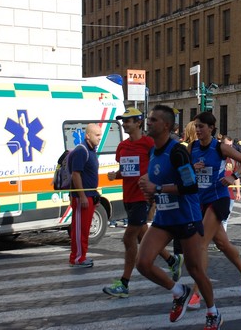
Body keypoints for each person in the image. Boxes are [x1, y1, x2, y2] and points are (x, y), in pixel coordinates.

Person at [135, 105, 220, 328]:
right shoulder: (152, 150)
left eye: (153, 120)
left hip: (186, 218)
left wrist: (158, 188)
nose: (148, 122)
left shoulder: (178, 151)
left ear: (166, 125)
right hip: (164, 218)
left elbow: (190, 186)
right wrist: (149, 194)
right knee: (142, 263)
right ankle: (178, 292)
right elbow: (157, 180)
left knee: (195, 270)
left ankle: (213, 312)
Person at [103, 108, 181, 298]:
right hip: (128, 196)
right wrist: (116, 175)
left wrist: (154, 186)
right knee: (142, 236)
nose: (124, 124)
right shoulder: (122, 146)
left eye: (128, 121)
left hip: (141, 197)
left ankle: (124, 283)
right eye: (123, 121)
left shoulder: (149, 143)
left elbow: (159, 165)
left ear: (138, 123)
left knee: (129, 238)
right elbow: (128, 170)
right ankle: (171, 260)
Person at [187, 111, 241, 311]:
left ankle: (197, 292)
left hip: (218, 199)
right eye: (196, 126)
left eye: (202, 126)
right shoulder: (192, 148)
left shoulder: (220, 147)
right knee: (223, 244)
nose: (198, 130)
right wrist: (193, 167)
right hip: (200, 200)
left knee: (201, 243)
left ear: (211, 128)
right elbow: (185, 170)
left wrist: (233, 176)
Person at [69, 123, 102, 268]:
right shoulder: (82, 151)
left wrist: (94, 195)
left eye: (100, 135)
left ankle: (81, 256)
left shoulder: (91, 150)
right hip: (82, 197)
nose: (100, 138)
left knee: (85, 229)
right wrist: (82, 196)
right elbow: (76, 174)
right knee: (79, 229)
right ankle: (77, 258)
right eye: (97, 135)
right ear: (87, 135)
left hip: (89, 195)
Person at [222, 135, 241, 232]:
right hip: (217, 193)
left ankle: (221, 241)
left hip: (230, 194)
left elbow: (236, 176)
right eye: (227, 145)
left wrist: (238, 191)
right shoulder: (217, 157)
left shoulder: (233, 160)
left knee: (225, 219)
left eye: (231, 145)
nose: (229, 148)